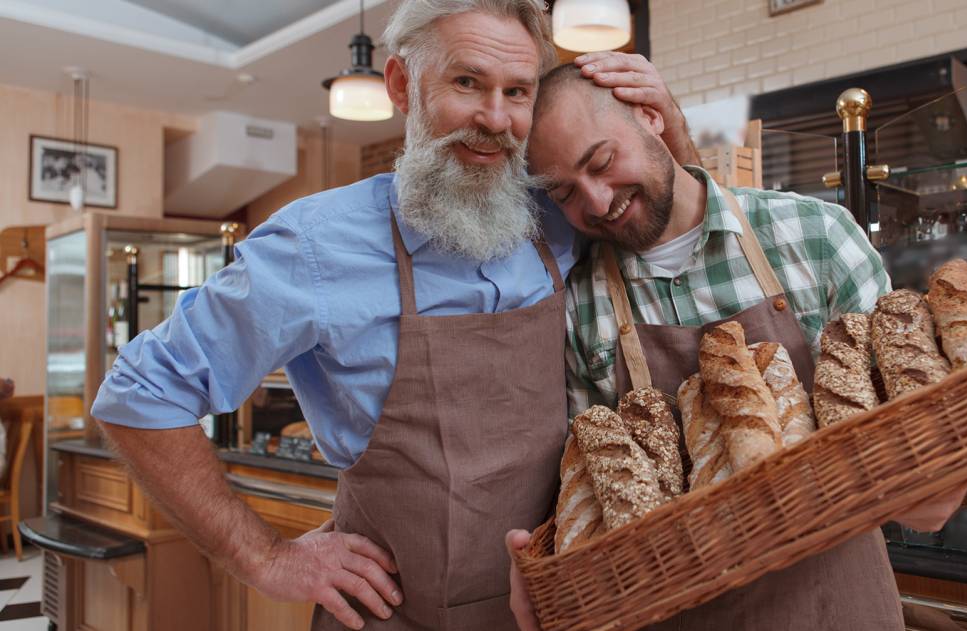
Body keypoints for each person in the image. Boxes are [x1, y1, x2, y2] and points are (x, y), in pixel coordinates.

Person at [90, 2, 695, 630]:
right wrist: (262, 556)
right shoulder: (315, 246)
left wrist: (670, 129)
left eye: (517, 91)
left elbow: (687, 240)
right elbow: (141, 392)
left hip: (556, 609)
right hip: (396, 616)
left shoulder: (556, 216)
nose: (495, 118)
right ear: (402, 84)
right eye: (468, 82)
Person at [506, 65, 967, 630]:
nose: (598, 201)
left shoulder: (814, 236)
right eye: (564, 193)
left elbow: (916, 439)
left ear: (653, 118)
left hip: (838, 606)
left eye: (601, 163)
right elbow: (591, 490)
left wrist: (934, 474)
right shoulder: (580, 304)